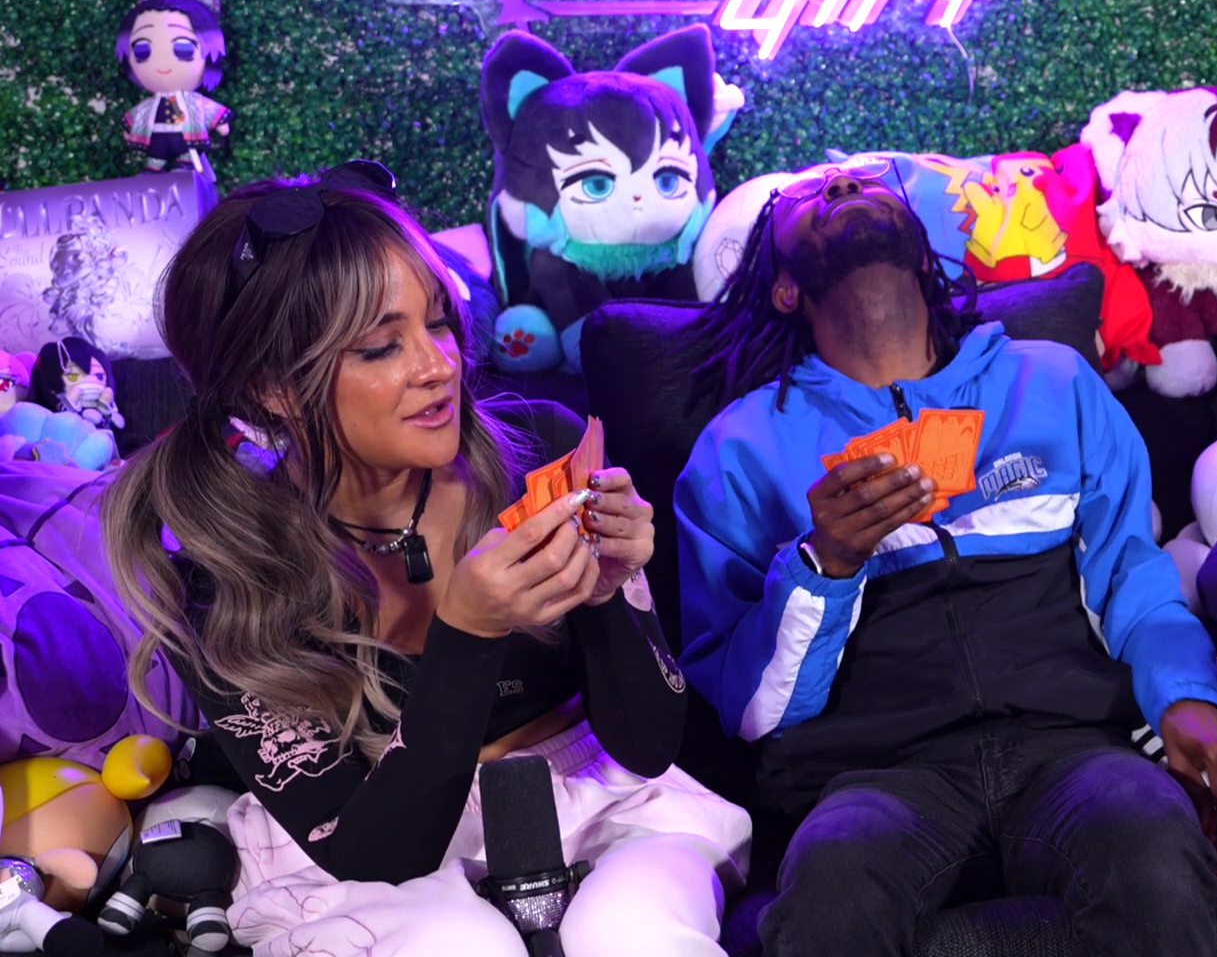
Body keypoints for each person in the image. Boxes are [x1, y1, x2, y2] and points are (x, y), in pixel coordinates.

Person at [103, 163, 750, 957]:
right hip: (384, 844)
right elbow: (376, 856)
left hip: (601, 802)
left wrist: (612, 591)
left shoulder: (537, 450)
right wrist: (468, 635)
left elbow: (648, 746)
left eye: (439, 324)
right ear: (272, 388)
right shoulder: (224, 578)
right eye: (382, 347)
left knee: (634, 935)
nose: (439, 367)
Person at [675, 159, 1217, 957]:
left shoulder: (1052, 381)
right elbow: (744, 707)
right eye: (810, 194)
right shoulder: (739, 448)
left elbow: (1136, 582)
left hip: (1072, 749)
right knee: (831, 885)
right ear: (784, 288)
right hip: (875, 778)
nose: (843, 186)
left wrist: (1187, 697)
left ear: (925, 256)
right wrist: (826, 562)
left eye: (867, 183)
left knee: (1153, 844)